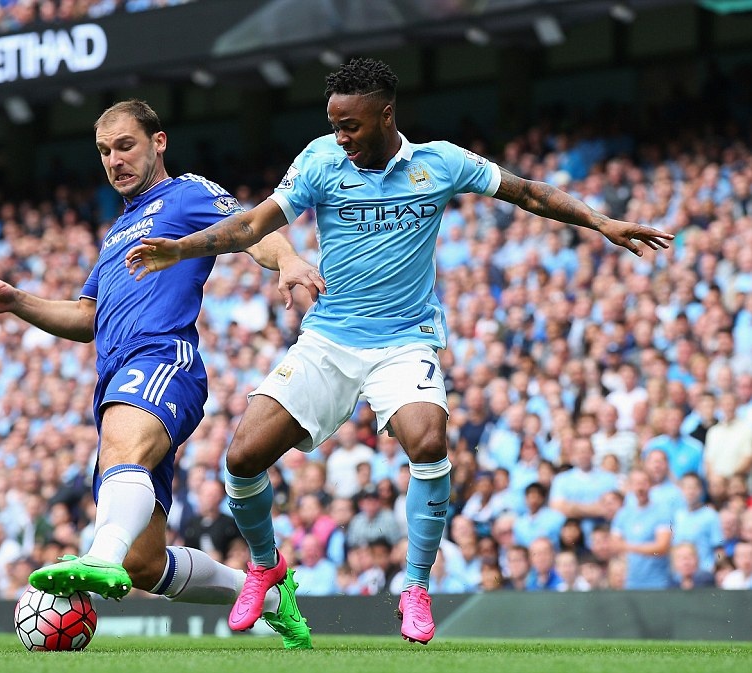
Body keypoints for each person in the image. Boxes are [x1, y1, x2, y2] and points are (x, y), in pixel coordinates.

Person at [124, 58, 671, 644]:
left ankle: (414, 587)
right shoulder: (319, 160)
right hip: (330, 338)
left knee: (429, 441)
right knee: (241, 459)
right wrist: (181, 249)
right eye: (334, 124)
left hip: (406, 341)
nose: (341, 136)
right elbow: (251, 225)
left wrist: (601, 221)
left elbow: (528, 193)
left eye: (350, 125)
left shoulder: (440, 163)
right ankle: (265, 568)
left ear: (386, 114)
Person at [0, 100, 318, 649]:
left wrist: (287, 259)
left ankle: (99, 557)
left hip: (163, 359)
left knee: (121, 461)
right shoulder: (117, 232)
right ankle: (269, 598)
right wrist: (16, 301)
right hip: (117, 379)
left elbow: (251, 228)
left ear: (158, 142)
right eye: (104, 151)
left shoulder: (186, 193)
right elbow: (87, 318)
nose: (114, 160)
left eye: (125, 145)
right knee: (144, 564)